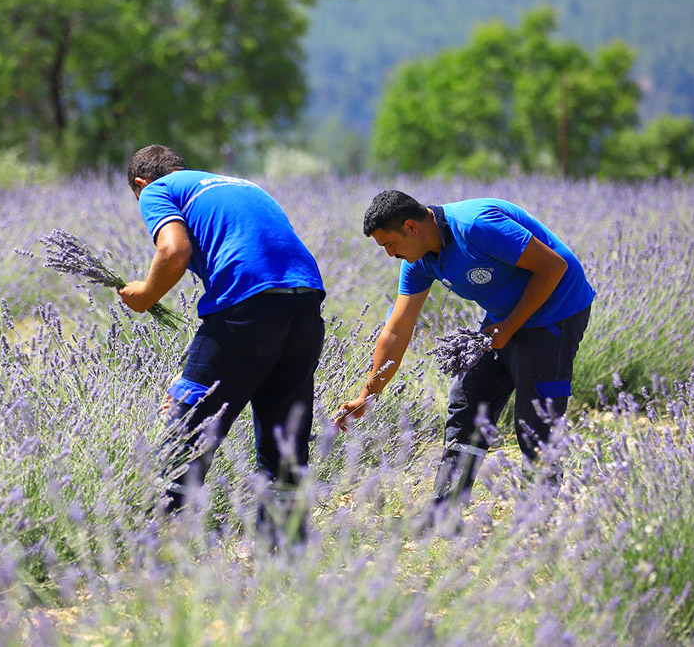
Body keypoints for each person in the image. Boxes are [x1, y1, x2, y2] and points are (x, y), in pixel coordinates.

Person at [335, 189, 594, 529]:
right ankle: (444, 514)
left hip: (556, 313)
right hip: (504, 318)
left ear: (411, 227)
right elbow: (396, 330)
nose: (389, 254)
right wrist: (368, 396)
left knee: (536, 419)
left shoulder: (476, 226)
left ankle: (541, 522)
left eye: (389, 245)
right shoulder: (419, 260)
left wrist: (508, 327)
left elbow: (553, 267)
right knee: (467, 399)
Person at [118, 144, 326, 542]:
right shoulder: (239, 186)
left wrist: (145, 295)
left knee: (191, 421)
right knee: (284, 439)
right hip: (305, 303)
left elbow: (174, 250)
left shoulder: (158, 189)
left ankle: (155, 548)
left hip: (246, 302)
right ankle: (282, 557)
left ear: (140, 183)